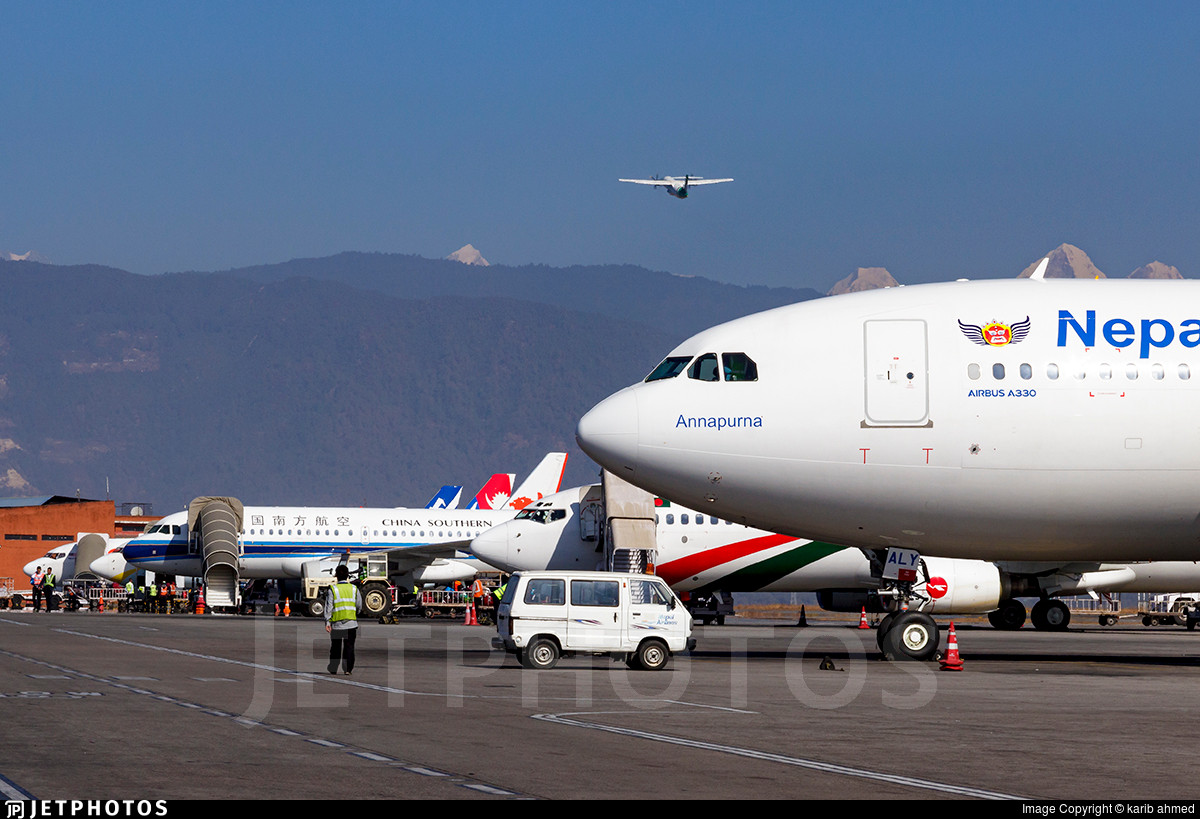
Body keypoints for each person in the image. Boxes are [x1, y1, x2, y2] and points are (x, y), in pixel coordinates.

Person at [324, 565, 362, 675]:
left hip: (337, 624)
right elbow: (359, 605)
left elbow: (329, 607)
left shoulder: (333, 589)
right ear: (347, 576)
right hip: (351, 623)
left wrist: (327, 622)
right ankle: (348, 669)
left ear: (336, 576)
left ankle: (333, 668)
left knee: (335, 647)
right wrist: (354, 613)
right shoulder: (354, 589)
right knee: (349, 647)